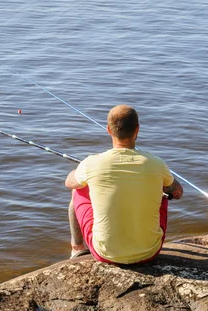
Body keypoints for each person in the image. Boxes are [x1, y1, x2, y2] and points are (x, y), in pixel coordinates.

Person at [65, 104, 183, 264]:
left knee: (78, 191)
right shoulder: (157, 163)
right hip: (149, 252)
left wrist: (81, 172)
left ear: (108, 129)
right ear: (137, 130)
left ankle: (77, 248)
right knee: (162, 194)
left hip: (105, 254)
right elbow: (178, 193)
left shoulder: (91, 163)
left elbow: (69, 182)